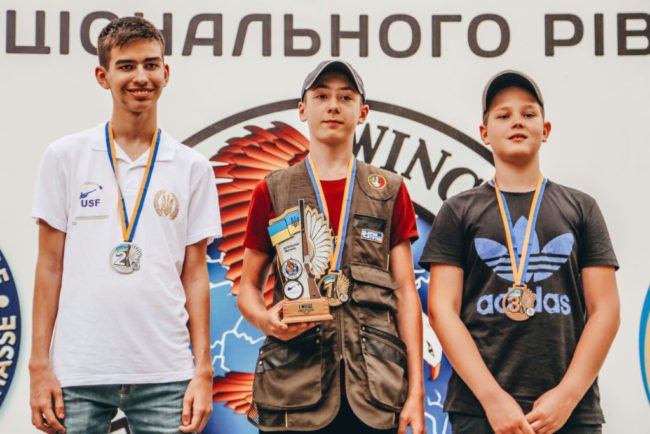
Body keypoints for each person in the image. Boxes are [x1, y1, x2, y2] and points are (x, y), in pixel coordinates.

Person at [29, 16, 220, 434]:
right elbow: (49, 267)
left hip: (166, 373)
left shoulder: (193, 167)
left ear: (166, 73)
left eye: (151, 65)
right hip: (78, 373)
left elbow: (195, 274)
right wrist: (39, 365)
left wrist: (202, 370)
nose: (141, 77)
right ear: (103, 76)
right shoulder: (65, 157)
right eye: (126, 66)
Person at [422, 70, 620, 434]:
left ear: (545, 129)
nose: (517, 121)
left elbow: (605, 310)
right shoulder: (458, 210)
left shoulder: (581, 208)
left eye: (528, 114)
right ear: (484, 133)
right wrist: (492, 399)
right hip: (480, 411)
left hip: (570, 412)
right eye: (503, 115)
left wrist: (568, 395)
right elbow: (441, 310)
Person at [237, 60, 424, 434]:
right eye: (321, 96)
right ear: (302, 109)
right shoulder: (273, 189)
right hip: (293, 391)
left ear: (362, 112)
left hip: (374, 394)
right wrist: (264, 320)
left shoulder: (389, 190)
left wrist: (416, 393)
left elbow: (405, 292)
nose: (334, 106)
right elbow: (247, 288)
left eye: (346, 97)